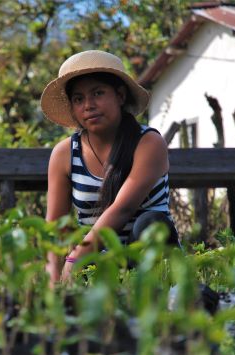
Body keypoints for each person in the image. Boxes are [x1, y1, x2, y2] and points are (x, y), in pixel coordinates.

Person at [40, 50, 179, 284]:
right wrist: (55, 282)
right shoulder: (64, 154)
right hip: (98, 264)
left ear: (120, 95)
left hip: (152, 261)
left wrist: (74, 261)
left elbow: (121, 209)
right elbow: (56, 226)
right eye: (78, 99)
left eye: (98, 93)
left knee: (151, 223)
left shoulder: (148, 143)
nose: (88, 105)